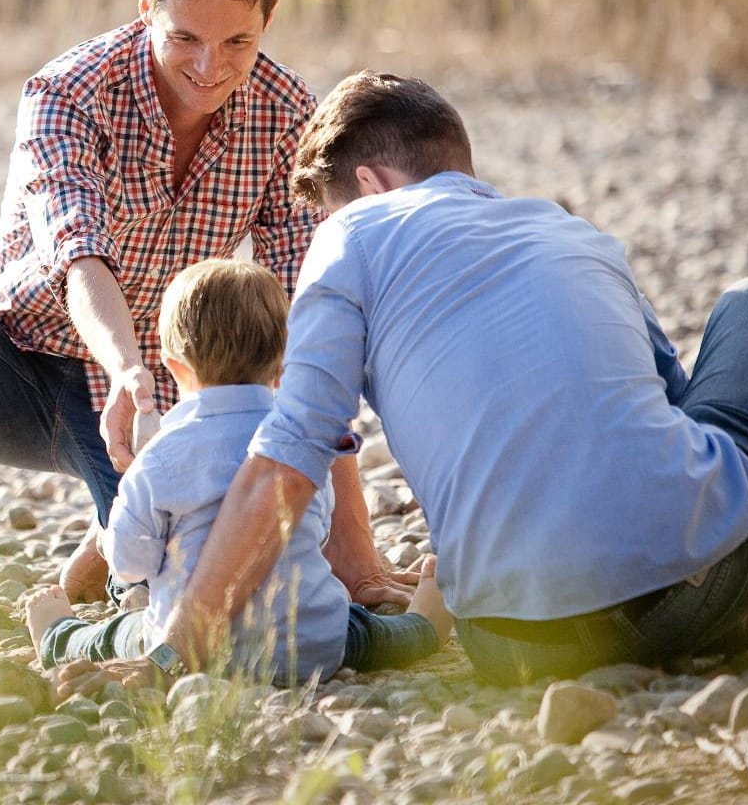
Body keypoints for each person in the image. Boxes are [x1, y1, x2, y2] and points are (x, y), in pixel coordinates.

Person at [85, 71, 748, 689]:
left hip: (512, 642)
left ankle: (719, 629)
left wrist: (172, 656)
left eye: (322, 214)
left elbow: (288, 462)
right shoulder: (570, 230)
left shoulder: (352, 237)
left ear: (370, 185)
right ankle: (732, 616)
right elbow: (672, 405)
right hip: (710, 571)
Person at [0, 0, 416, 642]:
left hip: (158, 411)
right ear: (147, 7)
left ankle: (96, 546)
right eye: (185, 38)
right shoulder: (67, 93)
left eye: (237, 41)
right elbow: (79, 255)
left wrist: (355, 556)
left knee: (162, 600)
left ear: (269, 18)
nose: (210, 68)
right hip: (18, 367)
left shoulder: (285, 112)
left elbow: (307, 328)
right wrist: (126, 369)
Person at [25, 259, 449, 683]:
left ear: (175, 369)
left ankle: (59, 636)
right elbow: (317, 529)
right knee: (366, 633)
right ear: (284, 365)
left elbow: (129, 563)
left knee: (120, 634)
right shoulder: (301, 441)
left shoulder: (162, 455)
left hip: (193, 651)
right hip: (311, 646)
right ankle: (425, 626)